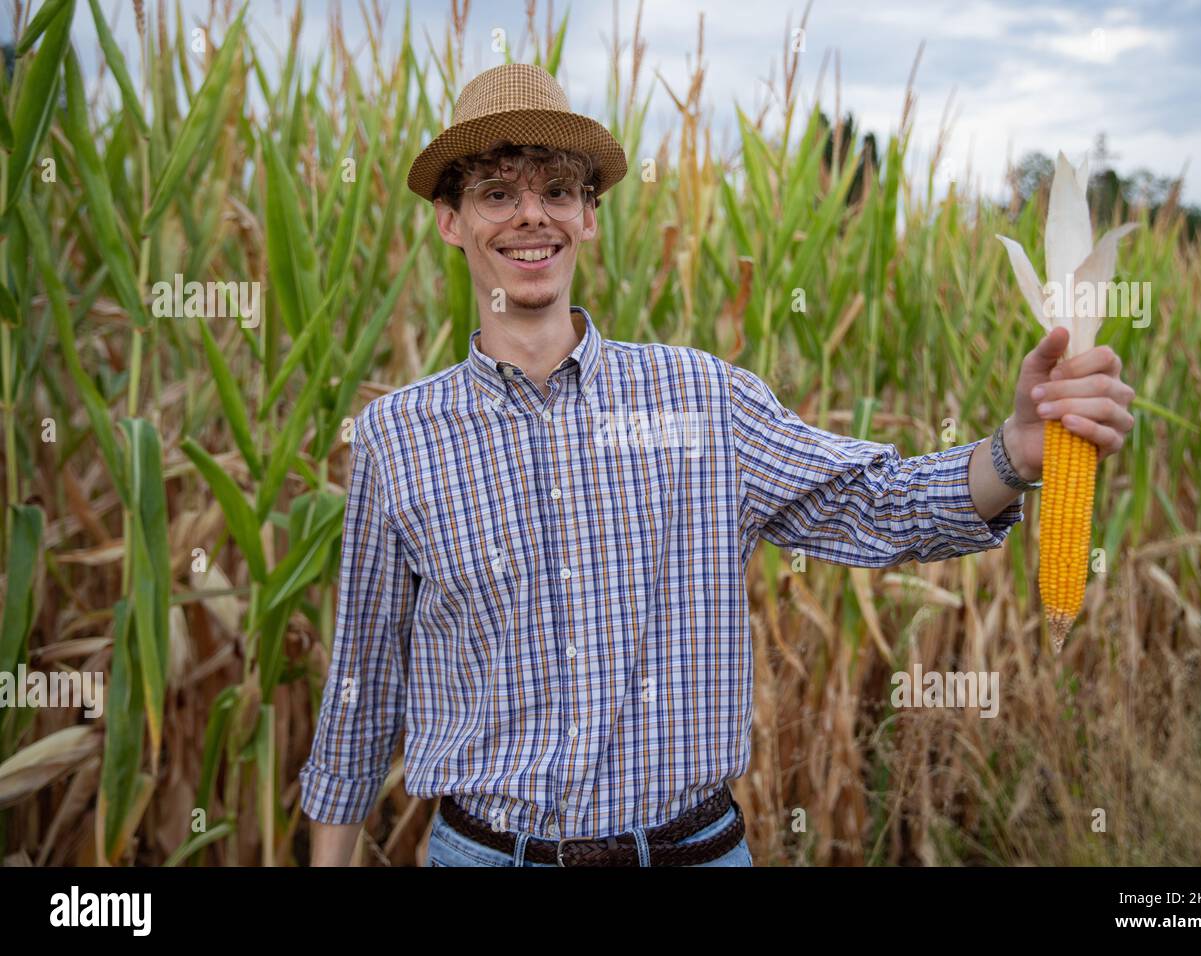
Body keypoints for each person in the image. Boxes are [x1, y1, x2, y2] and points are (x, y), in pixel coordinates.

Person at [298, 64, 1136, 867]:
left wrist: (1018, 450)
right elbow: (362, 692)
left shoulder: (703, 399)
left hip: (692, 851)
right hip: (489, 856)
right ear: (451, 221)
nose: (532, 217)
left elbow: (874, 506)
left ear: (590, 215)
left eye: (557, 191)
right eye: (496, 194)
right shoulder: (396, 439)